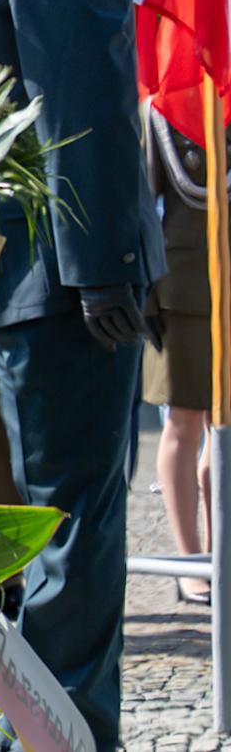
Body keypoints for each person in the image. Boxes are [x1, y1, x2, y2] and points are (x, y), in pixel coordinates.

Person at [0, 0, 165, 749]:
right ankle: (36, 718)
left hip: (67, 287)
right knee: (23, 521)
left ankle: (71, 729)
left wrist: (104, 271)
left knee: (70, 523)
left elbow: (84, 94)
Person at [143, 107, 214, 605]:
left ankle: (223, 550)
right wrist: (143, 295)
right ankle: (191, 564)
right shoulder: (166, 108)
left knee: (225, 432)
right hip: (184, 287)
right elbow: (141, 205)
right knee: (185, 423)